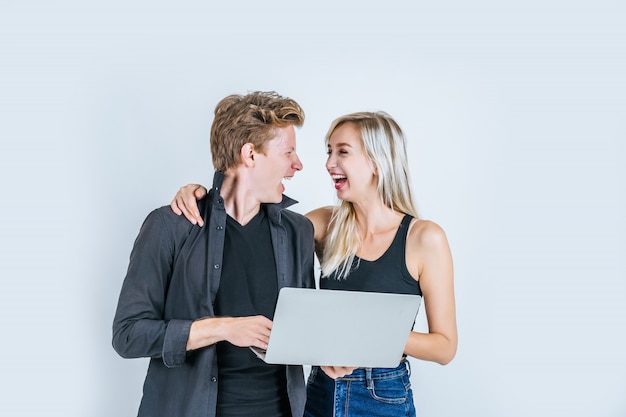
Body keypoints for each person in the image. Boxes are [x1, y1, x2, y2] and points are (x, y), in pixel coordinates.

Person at [171, 111, 457, 417]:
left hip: (381, 394)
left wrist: (369, 329)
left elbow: (444, 346)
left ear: (377, 161)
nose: (329, 163)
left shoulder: (425, 238)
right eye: (329, 151)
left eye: (342, 152)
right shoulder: (322, 224)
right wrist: (202, 195)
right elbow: (247, 221)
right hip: (319, 389)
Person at [112, 91, 315, 417]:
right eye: (288, 152)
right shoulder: (170, 226)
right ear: (250, 154)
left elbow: (305, 330)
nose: (298, 164)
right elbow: (128, 334)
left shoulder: (298, 232)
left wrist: (330, 354)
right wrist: (222, 329)